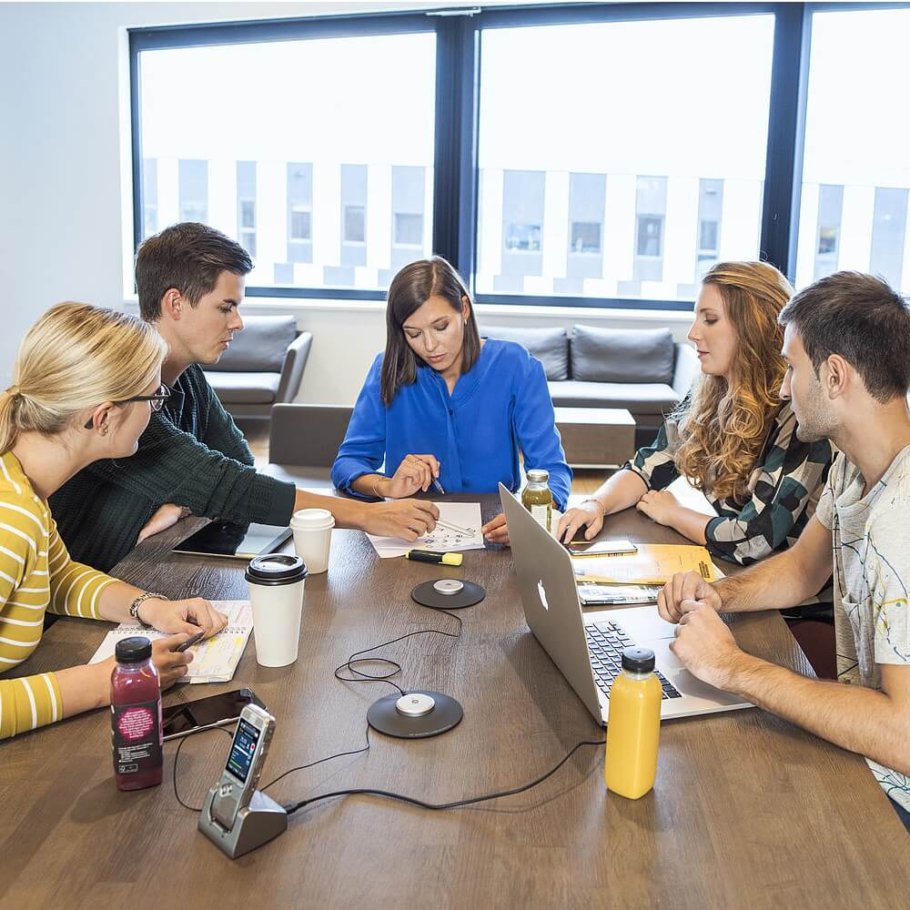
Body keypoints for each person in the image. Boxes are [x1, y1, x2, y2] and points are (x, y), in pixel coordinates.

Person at [659, 271, 910, 827]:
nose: (781, 389)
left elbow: (903, 736)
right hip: (866, 749)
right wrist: (717, 595)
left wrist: (733, 667)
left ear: (836, 375)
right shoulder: (855, 463)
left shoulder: (902, 519)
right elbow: (801, 570)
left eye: (792, 369)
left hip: (893, 788)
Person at [51, 224, 439, 572]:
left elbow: (237, 461)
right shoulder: (121, 393)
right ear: (175, 304)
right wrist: (367, 517)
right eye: (226, 307)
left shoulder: (188, 379)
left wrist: (184, 499)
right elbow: (227, 484)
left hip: (142, 565)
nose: (238, 322)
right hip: (76, 597)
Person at [0, 303, 228, 740]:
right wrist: (117, 678)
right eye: (154, 397)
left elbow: (56, 578)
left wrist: (151, 606)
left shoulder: (23, 485)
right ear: (102, 417)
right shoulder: (10, 518)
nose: (158, 410)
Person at [558, 261, 834, 567]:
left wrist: (675, 514)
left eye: (710, 320)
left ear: (754, 328)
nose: (692, 333)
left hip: (785, 606)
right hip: (734, 573)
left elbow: (752, 541)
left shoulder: (798, 416)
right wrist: (595, 503)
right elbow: (650, 464)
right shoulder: (710, 388)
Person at [331, 257, 571, 544]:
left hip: (494, 533)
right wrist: (386, 485)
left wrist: (531, 514)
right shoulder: (386, 370)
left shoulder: (517, 366)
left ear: (464, 309)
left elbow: (552, 470)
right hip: (409, 536)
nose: (430, 346)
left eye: (441, 326)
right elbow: (347, 464)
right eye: (414, 333)